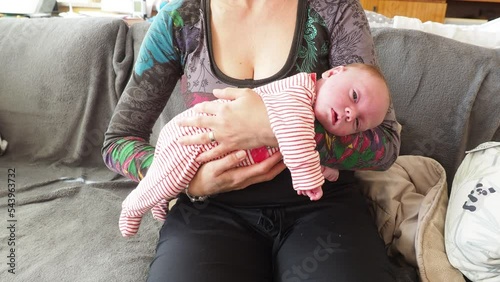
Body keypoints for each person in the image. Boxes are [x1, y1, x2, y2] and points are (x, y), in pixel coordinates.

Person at [102, 0, 401, 281]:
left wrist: (270, 129)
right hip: (211, 210)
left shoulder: (334, 8)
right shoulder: (181, 17)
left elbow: (385, 144)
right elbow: (119, 141)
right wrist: (188, 180)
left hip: (322, 206)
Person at [119, 63, 390, 237]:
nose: (348, 113)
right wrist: (308, 176)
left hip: (309, 219)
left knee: (165, 180)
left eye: (356, 123)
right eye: (353, 97)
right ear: (332, 73)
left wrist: (328, 168)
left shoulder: (313, 108)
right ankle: (134, 205)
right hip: (195, 138)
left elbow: (382, 148)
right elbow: (296, 138)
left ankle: (158, 199)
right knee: (168, 178)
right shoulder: (299, 93)